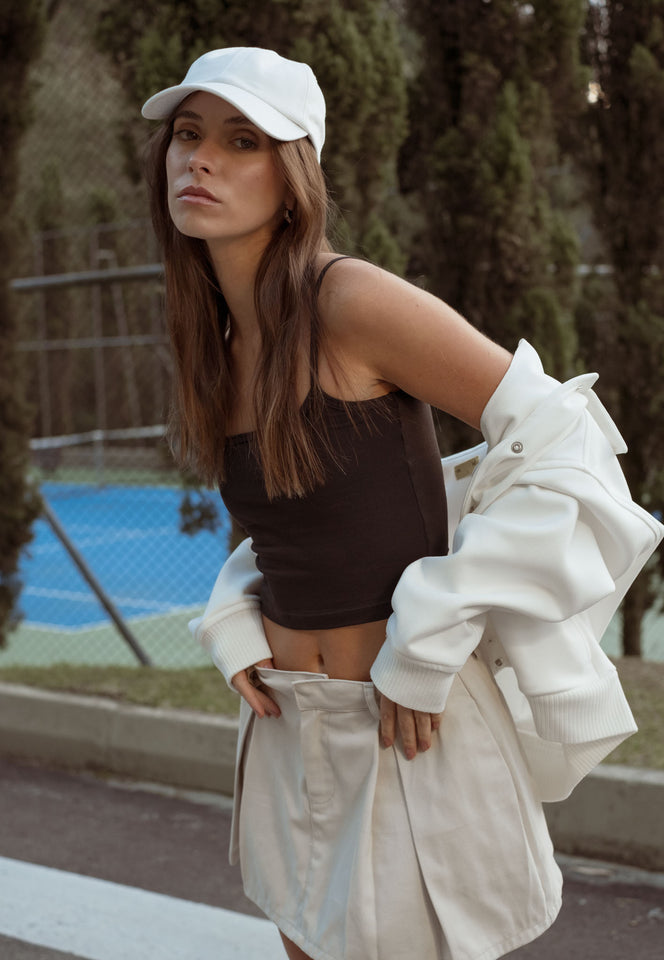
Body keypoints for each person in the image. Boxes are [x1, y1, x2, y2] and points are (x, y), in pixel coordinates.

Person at [141, 47, 664, 960]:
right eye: (188, 135)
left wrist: (430, 635)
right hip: (287, 727)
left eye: (242, 140)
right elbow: (296, 523)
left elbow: (562, 437)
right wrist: (236, 623)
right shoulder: (218, 340)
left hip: (406, 728)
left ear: (294, 173)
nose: (202, 159)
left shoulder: (348, 298)